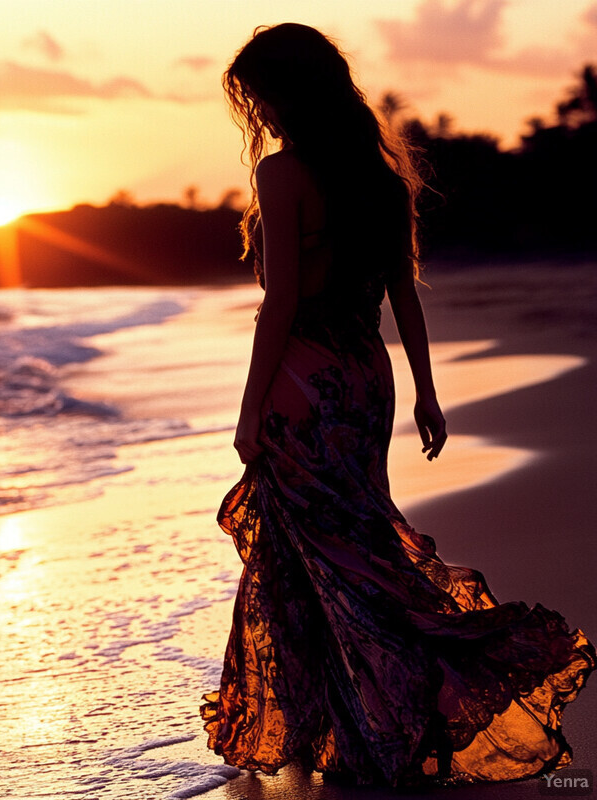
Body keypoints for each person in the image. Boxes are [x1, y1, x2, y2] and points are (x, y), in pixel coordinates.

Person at [199, 23, 595, 789]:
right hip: (366, 376)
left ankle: (356, 721)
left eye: (264, 96)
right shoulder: (377, 178)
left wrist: (250, 410)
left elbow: (281, 302)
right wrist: (425, 391)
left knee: (308, 555)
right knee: (357, 544)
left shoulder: (285, 175)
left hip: (305, 376)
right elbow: (401, 296)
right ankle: (361, 719)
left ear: (290, 92)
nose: (262, 114)